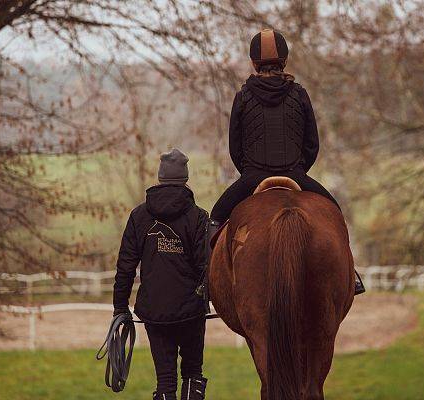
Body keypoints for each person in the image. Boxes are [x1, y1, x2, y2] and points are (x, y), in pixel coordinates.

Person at [210, 29, 365, 295]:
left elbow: (235, 147)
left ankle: (205, 284)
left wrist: (249, 173)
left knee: (214, 220)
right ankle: (351, 275)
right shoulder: (299, 94)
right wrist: (298, 171)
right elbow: (312, 143)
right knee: (335, 214)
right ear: (284, 59)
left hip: (252, 177)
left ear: (254, 62)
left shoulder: (243, 97)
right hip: (295, 174)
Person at [113, 149, 209, 400]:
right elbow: (204, 266)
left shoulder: (139, 216)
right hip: (191, 311)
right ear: (185, 179)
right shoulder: (198, 217)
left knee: (165, 380)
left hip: (154, 310)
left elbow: (125, 265)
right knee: (192, 373)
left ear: (160, 177)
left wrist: (119, 308)